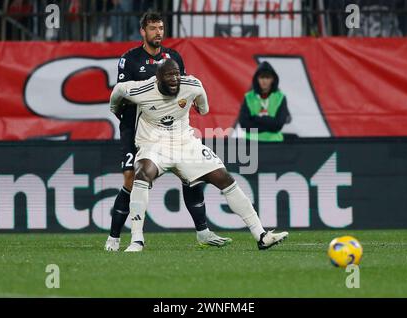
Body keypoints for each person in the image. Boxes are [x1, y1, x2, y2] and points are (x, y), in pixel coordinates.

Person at [109, 59, 289, 252]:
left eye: (177, 74)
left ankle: (261, 235)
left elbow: (204, 109)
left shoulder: (192, 85)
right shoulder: (141, 89)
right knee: (142, 173)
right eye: (169, 75)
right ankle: (137, 239)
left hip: (186, 143)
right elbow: (118, 90)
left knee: (224, 177)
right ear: (157, 78)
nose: (174, 79)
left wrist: (199, 107)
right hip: (154, 144)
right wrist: (116, 109)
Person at [105, 12, 231, 251]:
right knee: (131, 179)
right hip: (135, 128)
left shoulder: (173, 58)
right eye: (153, 28)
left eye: (161, 28)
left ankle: (203, 232)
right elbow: (121, 95)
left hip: (171, 131)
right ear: (143, 31)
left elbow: (181, 93)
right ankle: (114, 237)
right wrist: (127, 121)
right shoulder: (129, 60)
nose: (158, 33)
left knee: (190, 176)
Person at [239, 61, 291, 142]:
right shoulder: (248, 97)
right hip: (251, 143)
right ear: (257, 79)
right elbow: (244, 124)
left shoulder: (280, 98)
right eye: (261, 77)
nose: (264, 81)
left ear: (273, 79)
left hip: (274, 144)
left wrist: (256, 119)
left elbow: (278, 125)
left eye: (267, 77)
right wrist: (270, 122)